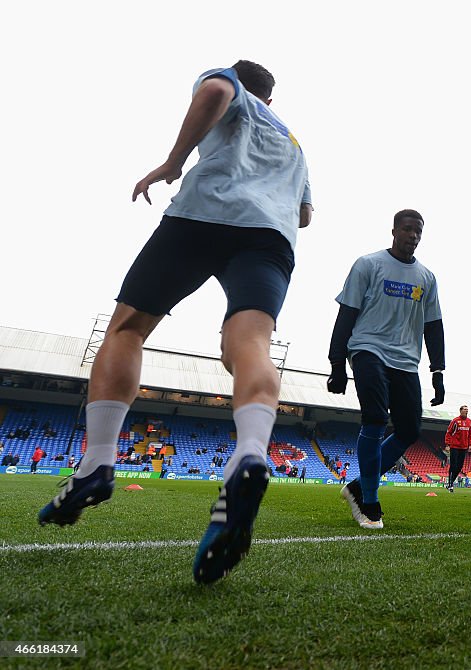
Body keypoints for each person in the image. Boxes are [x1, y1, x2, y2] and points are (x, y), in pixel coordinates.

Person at [36, 60, 312, 585]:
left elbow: (212, 91)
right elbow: (304, 215)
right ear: (272, 101)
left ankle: (96, 463)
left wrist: (173, 162)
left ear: (245, 89)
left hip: (201, 216)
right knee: (249, 342)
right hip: (270, 236)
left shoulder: (227, 83)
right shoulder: (295, 142)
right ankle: (250, 454)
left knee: (128, 328)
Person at [327, 209, 445, 530]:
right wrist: (337, 362)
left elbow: (433, 327)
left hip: (406, 361)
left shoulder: (427, 278)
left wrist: (438, 372)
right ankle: (369, 499)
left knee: (409, 430)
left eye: (418, 231)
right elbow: (347, 313)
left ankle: (356, 486)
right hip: (368, 349)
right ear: (393, 230)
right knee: (376, 417)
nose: (413, 236)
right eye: (407, 229)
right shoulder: (368, 265)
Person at [444, 405, 471, 492]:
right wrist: (447, 444)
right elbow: (449, 432)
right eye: (465, 409)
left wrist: (470, 445)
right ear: (460, 411)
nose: (466, 411)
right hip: (454, 446)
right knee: (453, 465)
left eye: (467, 410)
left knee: (460, 466)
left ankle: (450, 483)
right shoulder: (455, 421)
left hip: (464, 447)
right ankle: (450, 485)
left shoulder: (469, 422)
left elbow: (470, 434)